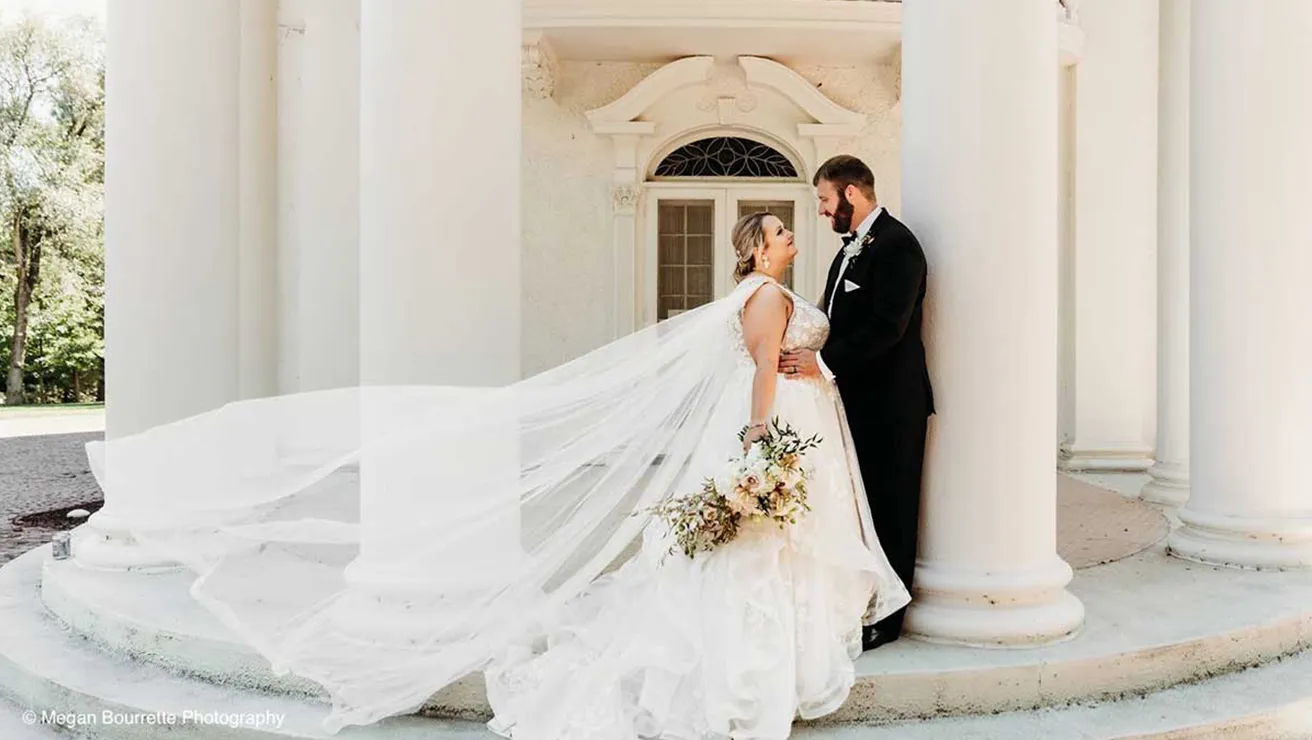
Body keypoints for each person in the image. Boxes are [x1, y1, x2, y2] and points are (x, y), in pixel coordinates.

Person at [82, 213, 909, 738]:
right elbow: (763, 367)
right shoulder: (765, 297)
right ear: (758, 247)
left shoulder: (767, 292)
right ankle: (766, 656)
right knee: (764, 542)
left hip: (798, 416)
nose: (791, 237)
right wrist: (761, 437)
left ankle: (794, 634)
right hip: (777, 422)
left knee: (778, 537)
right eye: (780, 231)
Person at [779, 155, 934, 651]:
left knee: (891, 507)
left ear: (850, 193)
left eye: (825, 199)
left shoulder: (897, 246)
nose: (822, 211)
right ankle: (865, 600)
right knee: (860, 506)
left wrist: (821, 363)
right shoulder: (850, 249)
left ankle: (889, 618)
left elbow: (888, 328)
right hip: (853, 398)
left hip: (891, 403)